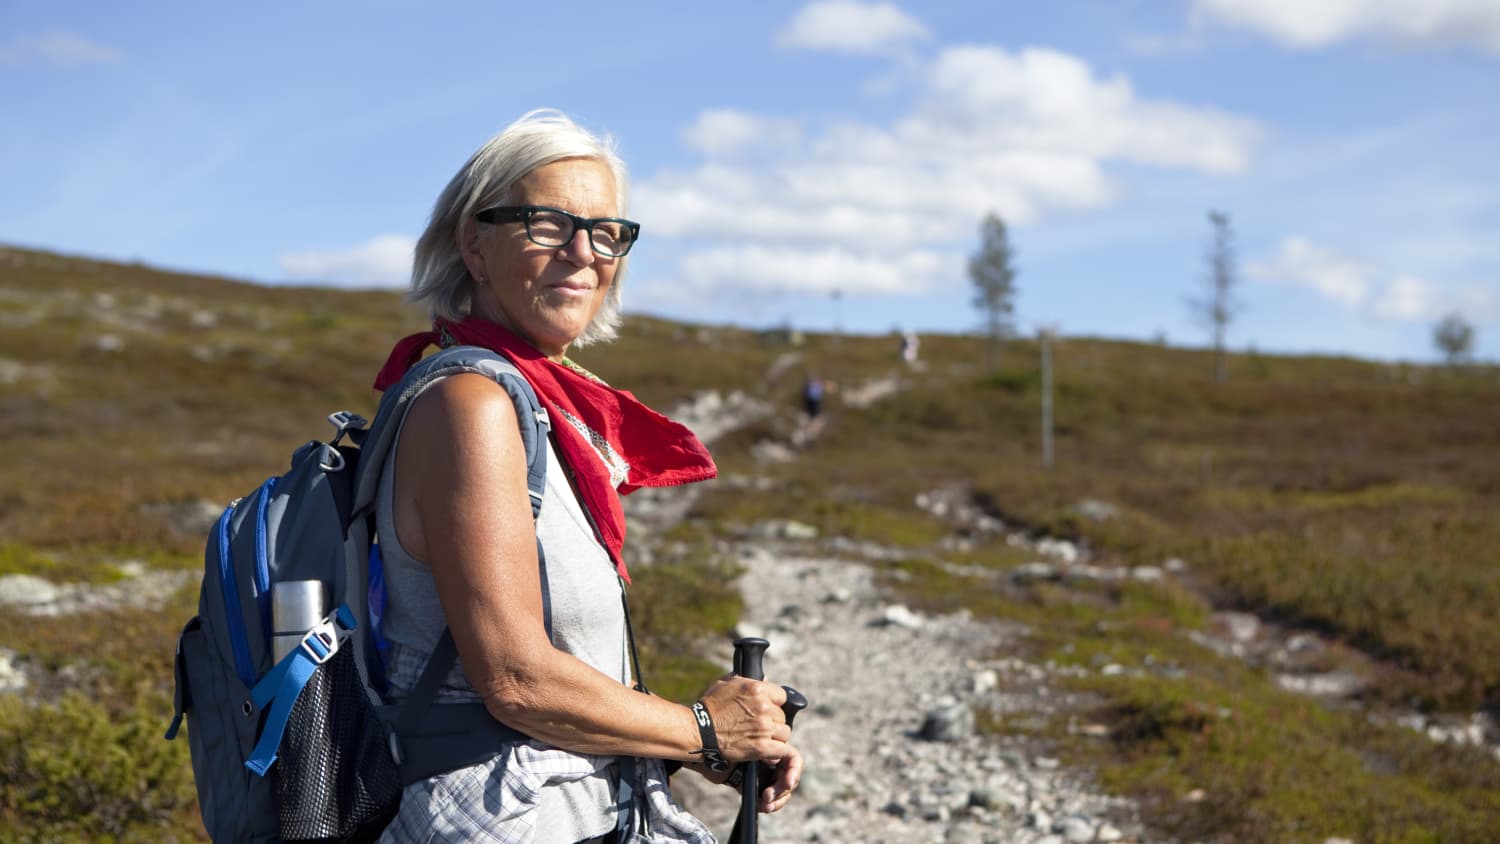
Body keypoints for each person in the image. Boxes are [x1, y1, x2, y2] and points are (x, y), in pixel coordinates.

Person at [369, 109, 802, 843]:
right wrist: (700, 728)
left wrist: (702, 746)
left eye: (606, 232)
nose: (583, 252)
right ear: (474, 244)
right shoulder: (469, 404)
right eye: (546, 224)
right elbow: (516, 679)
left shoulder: (538, 408)